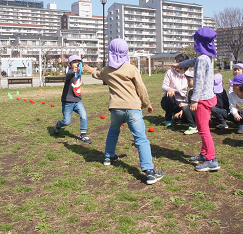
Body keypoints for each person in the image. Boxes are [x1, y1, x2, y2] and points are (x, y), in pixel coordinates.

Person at [83, 39, 164, 184]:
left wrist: (91, 70)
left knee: (113, 131)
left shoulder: (107, 70)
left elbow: (97, 74)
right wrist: (147, 104)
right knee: (141, 139)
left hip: (115, 109)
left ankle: (108, 156)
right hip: (133, 108)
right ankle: (149, 172)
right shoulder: (131, 69)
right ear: (126, 53)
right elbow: (141, 88)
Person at [171, 27, 220, 172]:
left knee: (203, 129)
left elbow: (198, 82)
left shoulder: (202, 59)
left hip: (203, 100)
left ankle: (211, 159)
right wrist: (179, 65)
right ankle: (205, 154)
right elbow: (193, 61)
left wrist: (194, 100)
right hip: (207, 98)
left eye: (195, 40)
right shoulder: (206, 57)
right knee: (201, 127)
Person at [53, 55, 91, 144]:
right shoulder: (70, 72)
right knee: (66, 122)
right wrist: (73, 72)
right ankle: (58, 124)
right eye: (74, 62)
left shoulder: (79, 73)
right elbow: (68, 75)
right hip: (68, 102)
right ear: (70, 65)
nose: (77, 64)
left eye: (78, 62)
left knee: (84, 115)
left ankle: (83, 135)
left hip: (77, 101)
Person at [160, 53, 189, 127]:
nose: (175, 64)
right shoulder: (170, 72)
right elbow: (163, 86)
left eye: (177, 62)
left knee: (183, 120)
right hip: (170, 100)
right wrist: (169, 89)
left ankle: (179, 115)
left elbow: (193, 90)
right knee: (169, 97)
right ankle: (168, 118)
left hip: (182, 101)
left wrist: (187, 104)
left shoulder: (189, 75)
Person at [174, 70, 198, 135]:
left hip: (199, 113)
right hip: (194, 112)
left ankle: (193, 126)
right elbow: (191, 104)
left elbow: (198, 104)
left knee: (184, 108)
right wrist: (181, 111)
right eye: (187, 81)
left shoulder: (197, 92)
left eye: (189, 81)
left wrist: (185, 105)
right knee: (177, 119)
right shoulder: (191, 92)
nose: (188, 83)